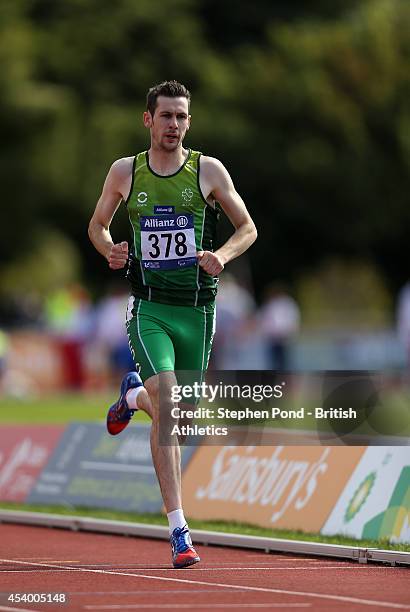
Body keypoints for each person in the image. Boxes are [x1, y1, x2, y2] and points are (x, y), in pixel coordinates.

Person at [88, 80, 257, 568]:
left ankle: (130, 396)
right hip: (150, 307)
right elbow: (98, 225)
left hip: (198, 312)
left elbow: (247, 227)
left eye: (182, 117)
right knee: (167, 400)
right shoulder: (126, 172)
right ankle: (180, 531)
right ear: (148, 119)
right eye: (166, 116)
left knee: (175, 413)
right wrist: (109, 249)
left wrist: (222, 255)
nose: (174, 125)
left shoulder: (207, 170)